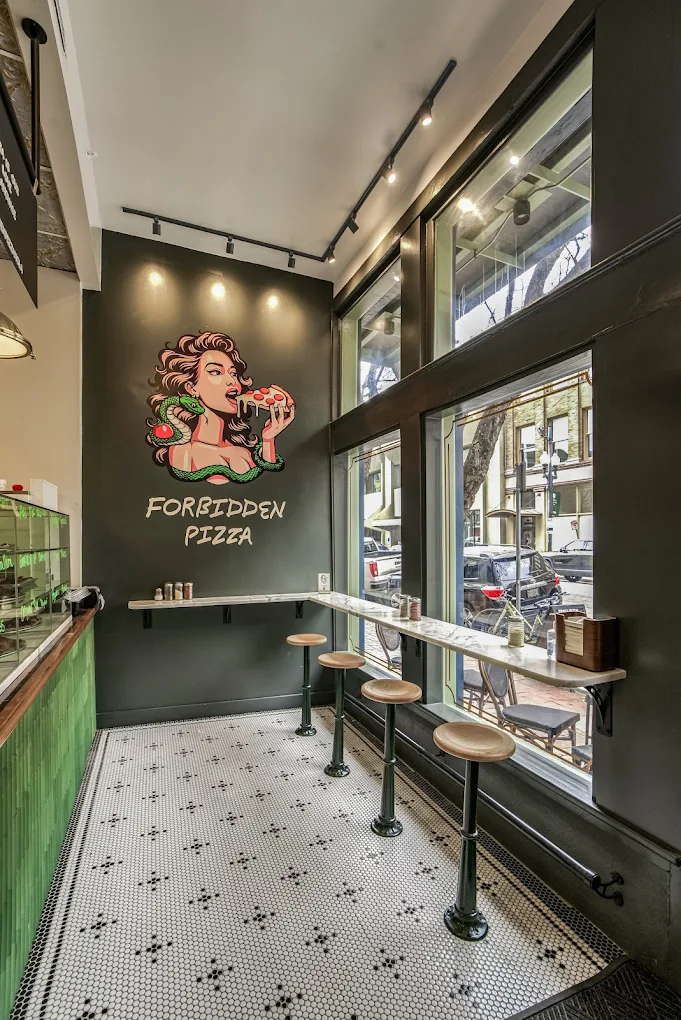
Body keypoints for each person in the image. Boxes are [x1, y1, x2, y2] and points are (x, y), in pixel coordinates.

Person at [146, 331, 294, 484]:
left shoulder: (243, 452)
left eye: (233, 373)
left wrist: (268, 439)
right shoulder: (183, 450)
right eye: (216, 372)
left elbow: (269, 487)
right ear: (192, 388)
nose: (232, 381)